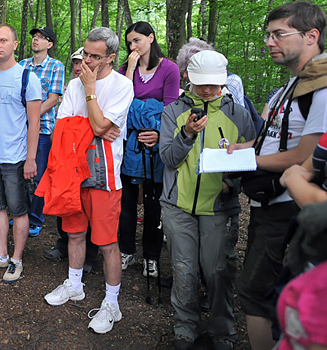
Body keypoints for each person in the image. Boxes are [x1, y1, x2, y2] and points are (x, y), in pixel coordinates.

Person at [227, 3, 327, 350]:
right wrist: (241, 149)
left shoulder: (321, 88)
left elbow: (306, 157)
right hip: (268, 200)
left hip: (291, 205)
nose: (269, 42)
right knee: (266, 289)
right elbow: (274, 136)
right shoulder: (293, 84)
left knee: (255, 292)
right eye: (268, 35)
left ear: (311, 36)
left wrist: (251, 157)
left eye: (279, 34)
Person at [39, 27, 133, 335]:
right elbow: (62, 129)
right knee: (74, 233)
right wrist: (95, 126)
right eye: (85, 54)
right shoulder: (72, 85)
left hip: (105, 175)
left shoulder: (122, 85)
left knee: (107, 242)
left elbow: (103, 123)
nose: (87, 61)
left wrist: (91, 94)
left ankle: (112, 303)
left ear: (111, 58)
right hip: (72, 172)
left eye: (94, 56)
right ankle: (74, 284)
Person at [160, 50, 256, 350]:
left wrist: (230, 184)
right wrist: (186, 135)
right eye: (202, 83)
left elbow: (250, 161)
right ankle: (185, 328)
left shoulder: (238, 114)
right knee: (184, 270)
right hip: (178, 206)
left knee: (218, 271)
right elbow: (168, 158)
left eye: (214, 84)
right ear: (188, 77)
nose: (208, 90)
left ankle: (222, 331)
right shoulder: (174, 111)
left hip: (219, 207)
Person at [0, 24, 41, 284]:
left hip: (16, 158)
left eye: (3, 40)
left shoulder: (26, 78)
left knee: (19, 210)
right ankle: (1, 254)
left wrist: (31, 158)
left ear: (14, 45)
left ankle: (17, 259)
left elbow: (34, 122)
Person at [117, 21, 181, 278]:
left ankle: (151, 256)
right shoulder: (125, 69)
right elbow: (121, 101)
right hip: (129, 140)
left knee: (154, 202)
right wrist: (131, 69)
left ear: (151, 38)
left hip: (156, 140)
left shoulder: (169, 68)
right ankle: (126, 250)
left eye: (137, 40)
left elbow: (171, 107)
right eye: (129, 42)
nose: (133, 46)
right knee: (127, 201)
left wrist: (158, 133)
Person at [42, 47, 100, 275]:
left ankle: (90, 257)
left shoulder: (100, 87)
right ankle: (64, 246)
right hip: (65, 155)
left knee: (88, 208)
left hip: (92, 159)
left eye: (82, 62)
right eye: (76, 63)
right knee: (64, 202)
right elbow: (62, 122)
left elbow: (100, 125)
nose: (79, 67)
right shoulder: (71, 88)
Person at [19, 26, 65, 237]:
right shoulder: (22, 65)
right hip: (20, 130)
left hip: (44, 129)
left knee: (39, 174)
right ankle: (22, 215)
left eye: (41, 38)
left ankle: (36, 218)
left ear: (50, 44)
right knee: (19, 173)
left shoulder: (56, 66)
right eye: (34, 37)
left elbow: (53, 99)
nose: (36, 40)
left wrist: (32, 116)